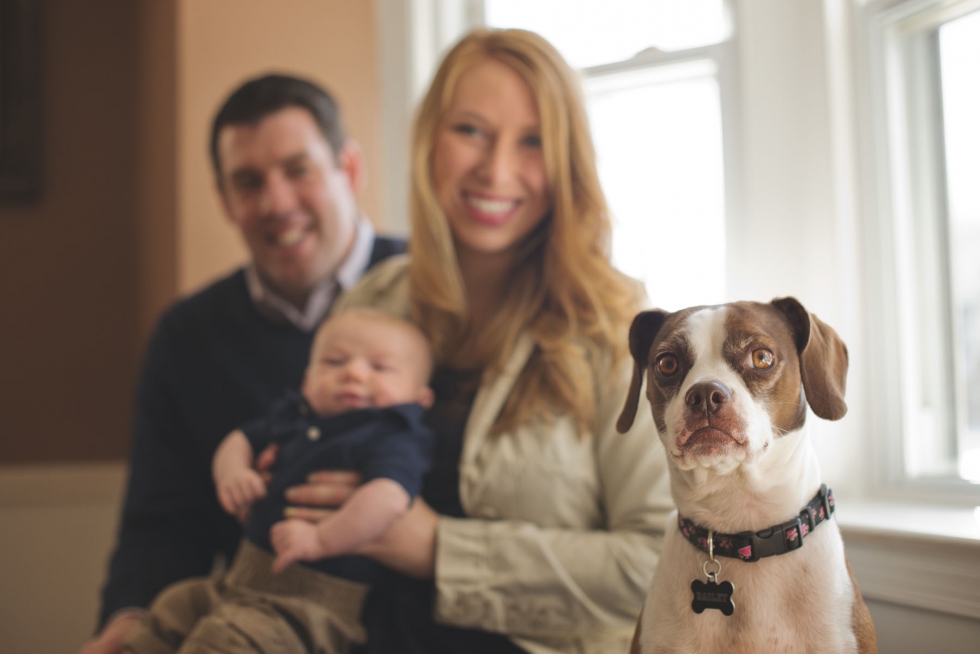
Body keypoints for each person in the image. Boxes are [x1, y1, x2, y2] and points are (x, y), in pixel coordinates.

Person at [319, 28, 674, 653]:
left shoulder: (620, 328)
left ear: (568, 162)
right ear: (431, 139)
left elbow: (661, 561)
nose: (497, 170)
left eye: (533, 142)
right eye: (472, 131)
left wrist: (440, 550)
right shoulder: (372, 300)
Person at [80, 74, 406, 654]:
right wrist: (128, 620)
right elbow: (163, 521)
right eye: (249, 182)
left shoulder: (429, 292)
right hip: (253, 615)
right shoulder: (188, 335)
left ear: (348, 171)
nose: (277, 204)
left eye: (298, 170)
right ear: (226, 199)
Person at [123, 309, 435, 654]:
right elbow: (239, 439)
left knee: (227, 641)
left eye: (380, 367)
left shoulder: (392, 436)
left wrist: (321, 538)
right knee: (174, 606)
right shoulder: (295, 416)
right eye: (334, 361)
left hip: (310, 605)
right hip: (239, 580)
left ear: (420, 400)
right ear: (307, 379)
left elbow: (389, 499)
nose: (353, 373)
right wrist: (235, 473)